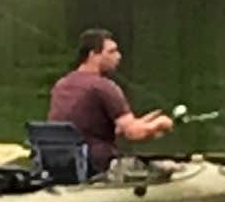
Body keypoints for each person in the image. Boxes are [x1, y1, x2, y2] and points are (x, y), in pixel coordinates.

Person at [44, 29, 175, 178]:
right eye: (111, 52)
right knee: (168, 168)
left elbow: (86, 126)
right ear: (93, 55)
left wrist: (142, 123)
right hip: (97, 165)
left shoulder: (61, 84)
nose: (118, 57)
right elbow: (134, 133)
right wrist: (159, 124)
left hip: (61, 164)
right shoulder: (104, 87)